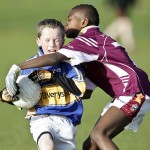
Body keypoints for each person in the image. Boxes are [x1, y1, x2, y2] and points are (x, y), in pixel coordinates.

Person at [5, 4, 150, 150]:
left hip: (133, 91)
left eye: (69, 20)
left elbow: (55, 58)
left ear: (83, 22)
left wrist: (18, 67)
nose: (66, 24)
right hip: (130, 92)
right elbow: (84, 92)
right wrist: (38, 91)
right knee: (90, 145)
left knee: (99, 135)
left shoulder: (89, 38)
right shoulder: (91, 52)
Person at [2, 18, 86, 150]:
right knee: (46, 145)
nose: (52, 45)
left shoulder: (71, 65)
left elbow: (80, 90)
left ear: (63, 41)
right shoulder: (30, 66)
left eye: (56, 40)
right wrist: (7, 96)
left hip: (67, 121)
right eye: (47, 40)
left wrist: (52, 76)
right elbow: (22, 94)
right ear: (38, 41)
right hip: (41, 118)